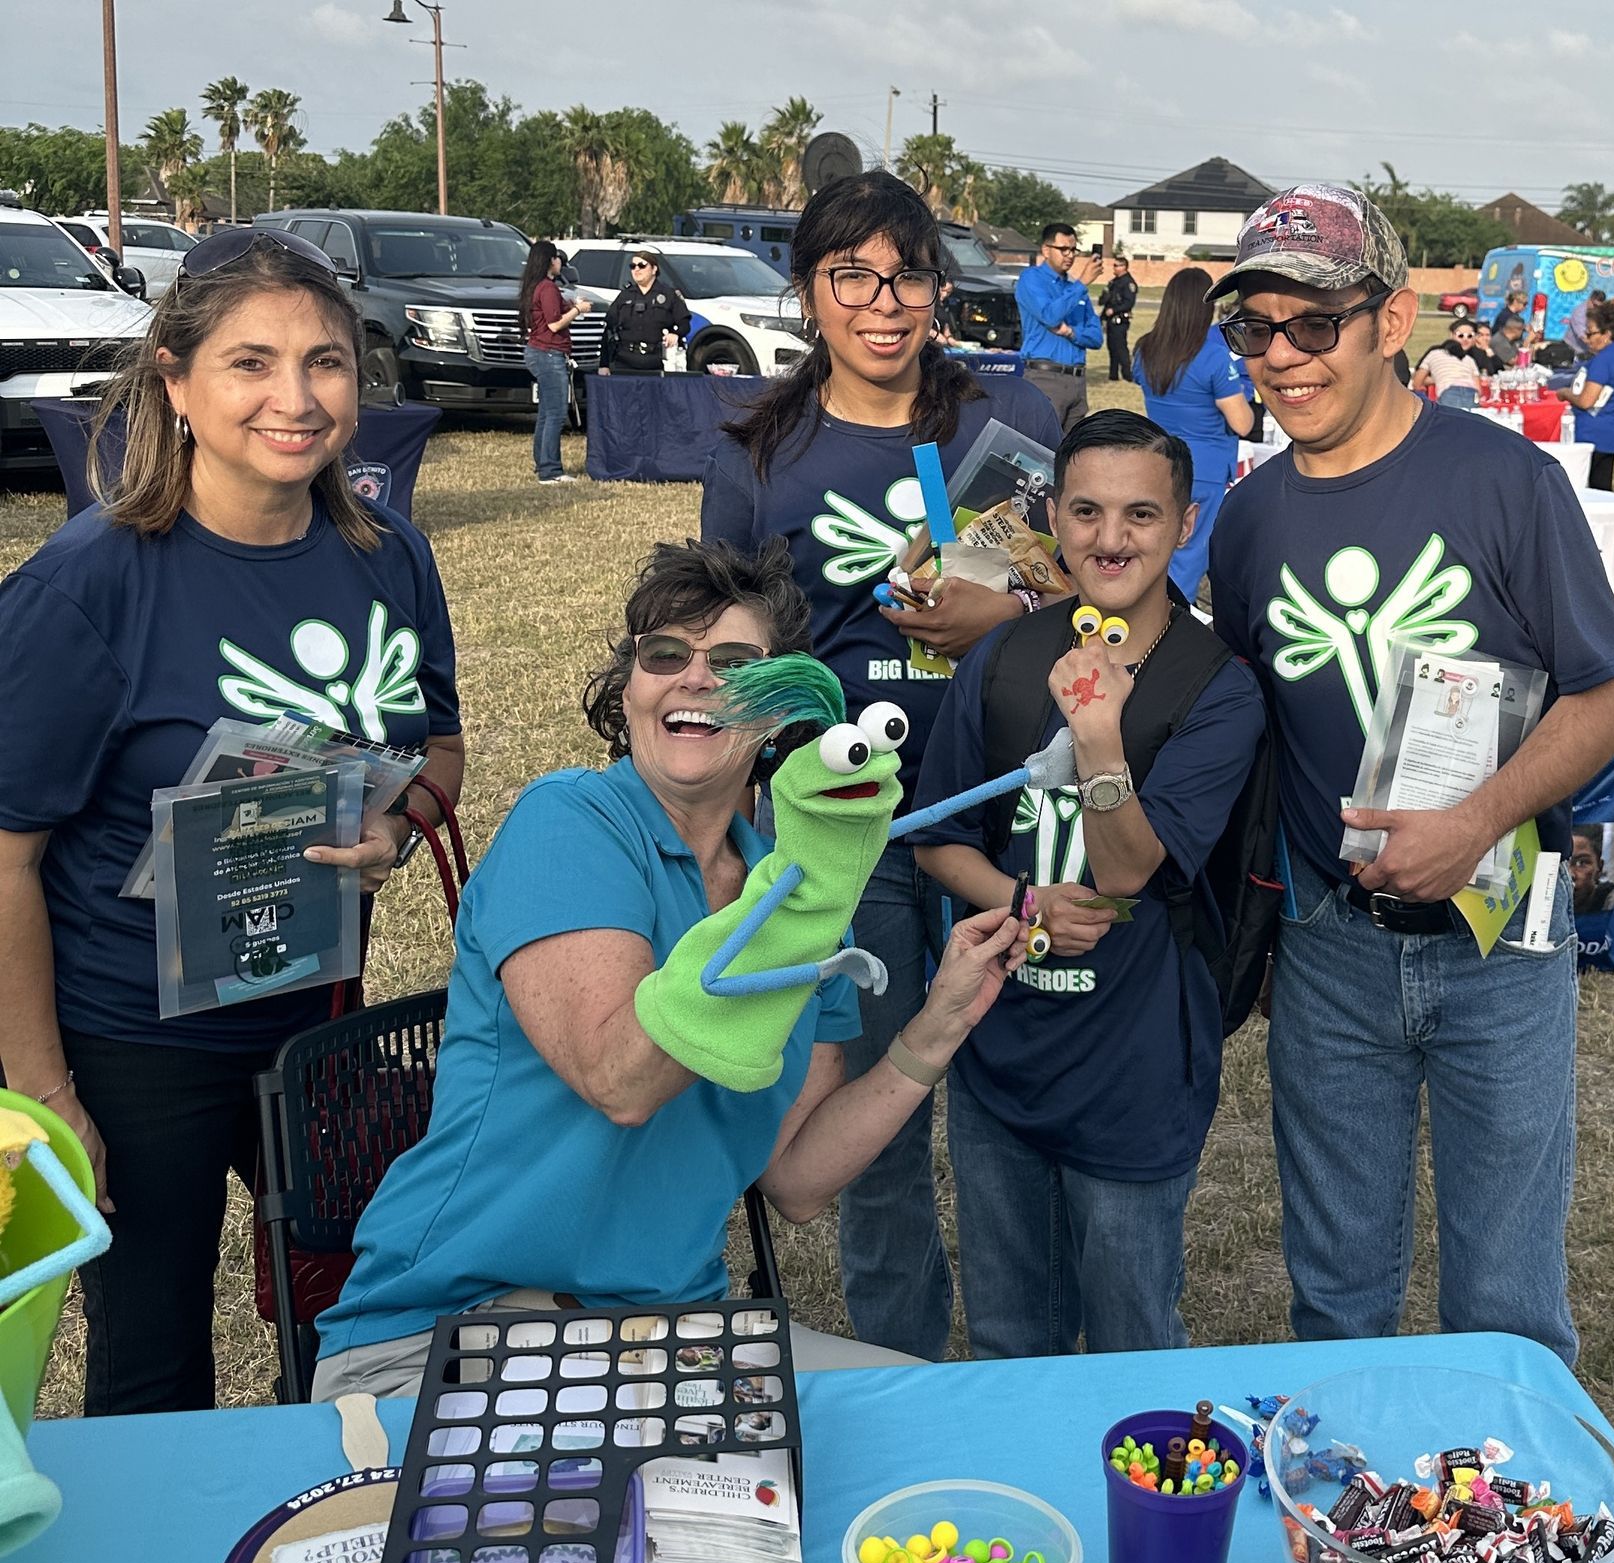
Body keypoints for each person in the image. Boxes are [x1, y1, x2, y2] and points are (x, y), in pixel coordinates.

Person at [313, 540, 1026, 1398]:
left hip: (671, 1337)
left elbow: (795, 1177)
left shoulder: (793, 878)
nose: (696, 677)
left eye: (734, 663)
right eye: (664, 655)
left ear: (781, 709)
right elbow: (623, 1079)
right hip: (448, 1333)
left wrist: (934, 1027)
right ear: (630, 689)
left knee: (945, 1415)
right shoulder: (570, 823)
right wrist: (803, 902)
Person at [0, 226, 464, 1415]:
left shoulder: (390, 556)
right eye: (252, 363)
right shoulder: (88, 583)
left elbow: (441, 749)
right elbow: (7, 857)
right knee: (152, 1364)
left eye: (327, 362)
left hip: (318, 1027)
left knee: (360, 1336)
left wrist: (397, 828)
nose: (295, 399)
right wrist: (47, 1094)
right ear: (176, 380)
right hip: (129, 1049)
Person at [1206, 181, 1614, 1366]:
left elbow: (1612, 691)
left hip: (1500, 942)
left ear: (1391, 323)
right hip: (1332, 954)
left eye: (1315, 324)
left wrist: (1477, 818)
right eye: (1255, 329)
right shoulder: (1247, 524)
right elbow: (1239, 713)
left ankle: (1505, 1538)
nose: (1283, 357)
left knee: (1505, 1306)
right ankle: (1352, 1535)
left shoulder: (1505, 481)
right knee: (1335, 1301)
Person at [700, 170, 1060, 1361]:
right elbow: (730, 661)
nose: (883, 301)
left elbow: (1088, 608)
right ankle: (904, 1372)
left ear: (939, 286)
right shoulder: (761, 455)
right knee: (882, 1127)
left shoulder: (1006, 434)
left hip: (997, 816)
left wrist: (993, 625)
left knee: (1013, 1108)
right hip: (843, 836)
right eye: (851, 274)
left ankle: (1019, 1368)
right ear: (809, 291)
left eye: (906, 273)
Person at [909, 412, 1266, 1357]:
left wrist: (1101, 735)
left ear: (1186, 523)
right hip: (1002, 1060)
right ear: (1056, 521)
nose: (1112, 540)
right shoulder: (1004, 659)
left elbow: (1126, 869)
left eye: (1142, 515)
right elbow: (939, 843)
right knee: (1008, 1335)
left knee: (1129, 1337)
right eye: (1089, 513)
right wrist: (1022, 904)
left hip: (1136, 1068)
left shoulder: (1216, 686)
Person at [1131, 264, 1257, 598]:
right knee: (1188, 559)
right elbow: (1243, 422)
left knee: (1155, 550)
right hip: (1205, 469)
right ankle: (1170, 625)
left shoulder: (1145, 350)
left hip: (1156, 462)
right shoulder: (1214, 358)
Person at [1016, 222, 1102, 430]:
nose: (1070, 255)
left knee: (1072, 455)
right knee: (1040, 452)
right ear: (1046, 250)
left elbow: (1096, 337)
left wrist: (1071, 332)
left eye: (1073, 250)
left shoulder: (1074, 289)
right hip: (1045, 376)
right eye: (1063, 249)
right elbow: (1049, 316)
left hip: (1077, 380)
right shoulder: (1031, 279)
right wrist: (1082, 284)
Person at [519, 237, 591, 483]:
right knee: (556, 413)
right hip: (549, 353)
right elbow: (554, 323)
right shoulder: (547, 288)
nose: (560, 261)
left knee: (546, 412)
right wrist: (577, 310)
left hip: (539, 351)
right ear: (550, 261)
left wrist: (569, 305)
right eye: (557, 257)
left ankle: (543, 463)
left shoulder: (535, 286)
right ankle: (550, 469)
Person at [1558, 296, 1614, 491]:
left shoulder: (1603, 361)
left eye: (1591, 333)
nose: (1586, 338)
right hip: (1609, 432)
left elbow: (1586, 401)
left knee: (1588, 492)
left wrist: (1565, 394)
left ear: (1607, 334)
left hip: (1592, 434)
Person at [597, 249, 691, 378]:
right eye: (632, 266)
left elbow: (685, 324)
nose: (636, 269)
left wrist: (676, 334)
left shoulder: (669, 295)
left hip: (657, 362)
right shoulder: (625, 295)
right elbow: (608, 331)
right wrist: (604, 364)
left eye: (642, 265)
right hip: (624, 361)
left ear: (654, 269)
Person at [1413, 316, 1482, 408]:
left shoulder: (1434, 353)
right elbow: (1478, 389)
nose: (1465, 339)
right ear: (1451, 335)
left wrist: (1441, 377)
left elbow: (1417, 382)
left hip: (1447, 391)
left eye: (1470, 336)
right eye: (1460, 335)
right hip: (1471, 392)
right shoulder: (1469, 359)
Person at [1100, 251, 1138, 382]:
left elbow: (1129, 302)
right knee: (1112, 347)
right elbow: (1105, 301)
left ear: (1124, 267)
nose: (1114, 268)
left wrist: (1114, 310)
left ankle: (1128, 374)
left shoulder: (1128, 283)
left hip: (1120, 319)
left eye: (1117, 265)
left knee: (1121, 347)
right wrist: (1103, 316)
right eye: (1114, 265)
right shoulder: (1113, 282)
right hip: (1110, 320)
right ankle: (1113, 374)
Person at [1569, 825, 1614, 915]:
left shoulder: (1610, 900)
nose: (1570, 874)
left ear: (1599, 867)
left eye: (1581, 863)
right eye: (1561, 863)